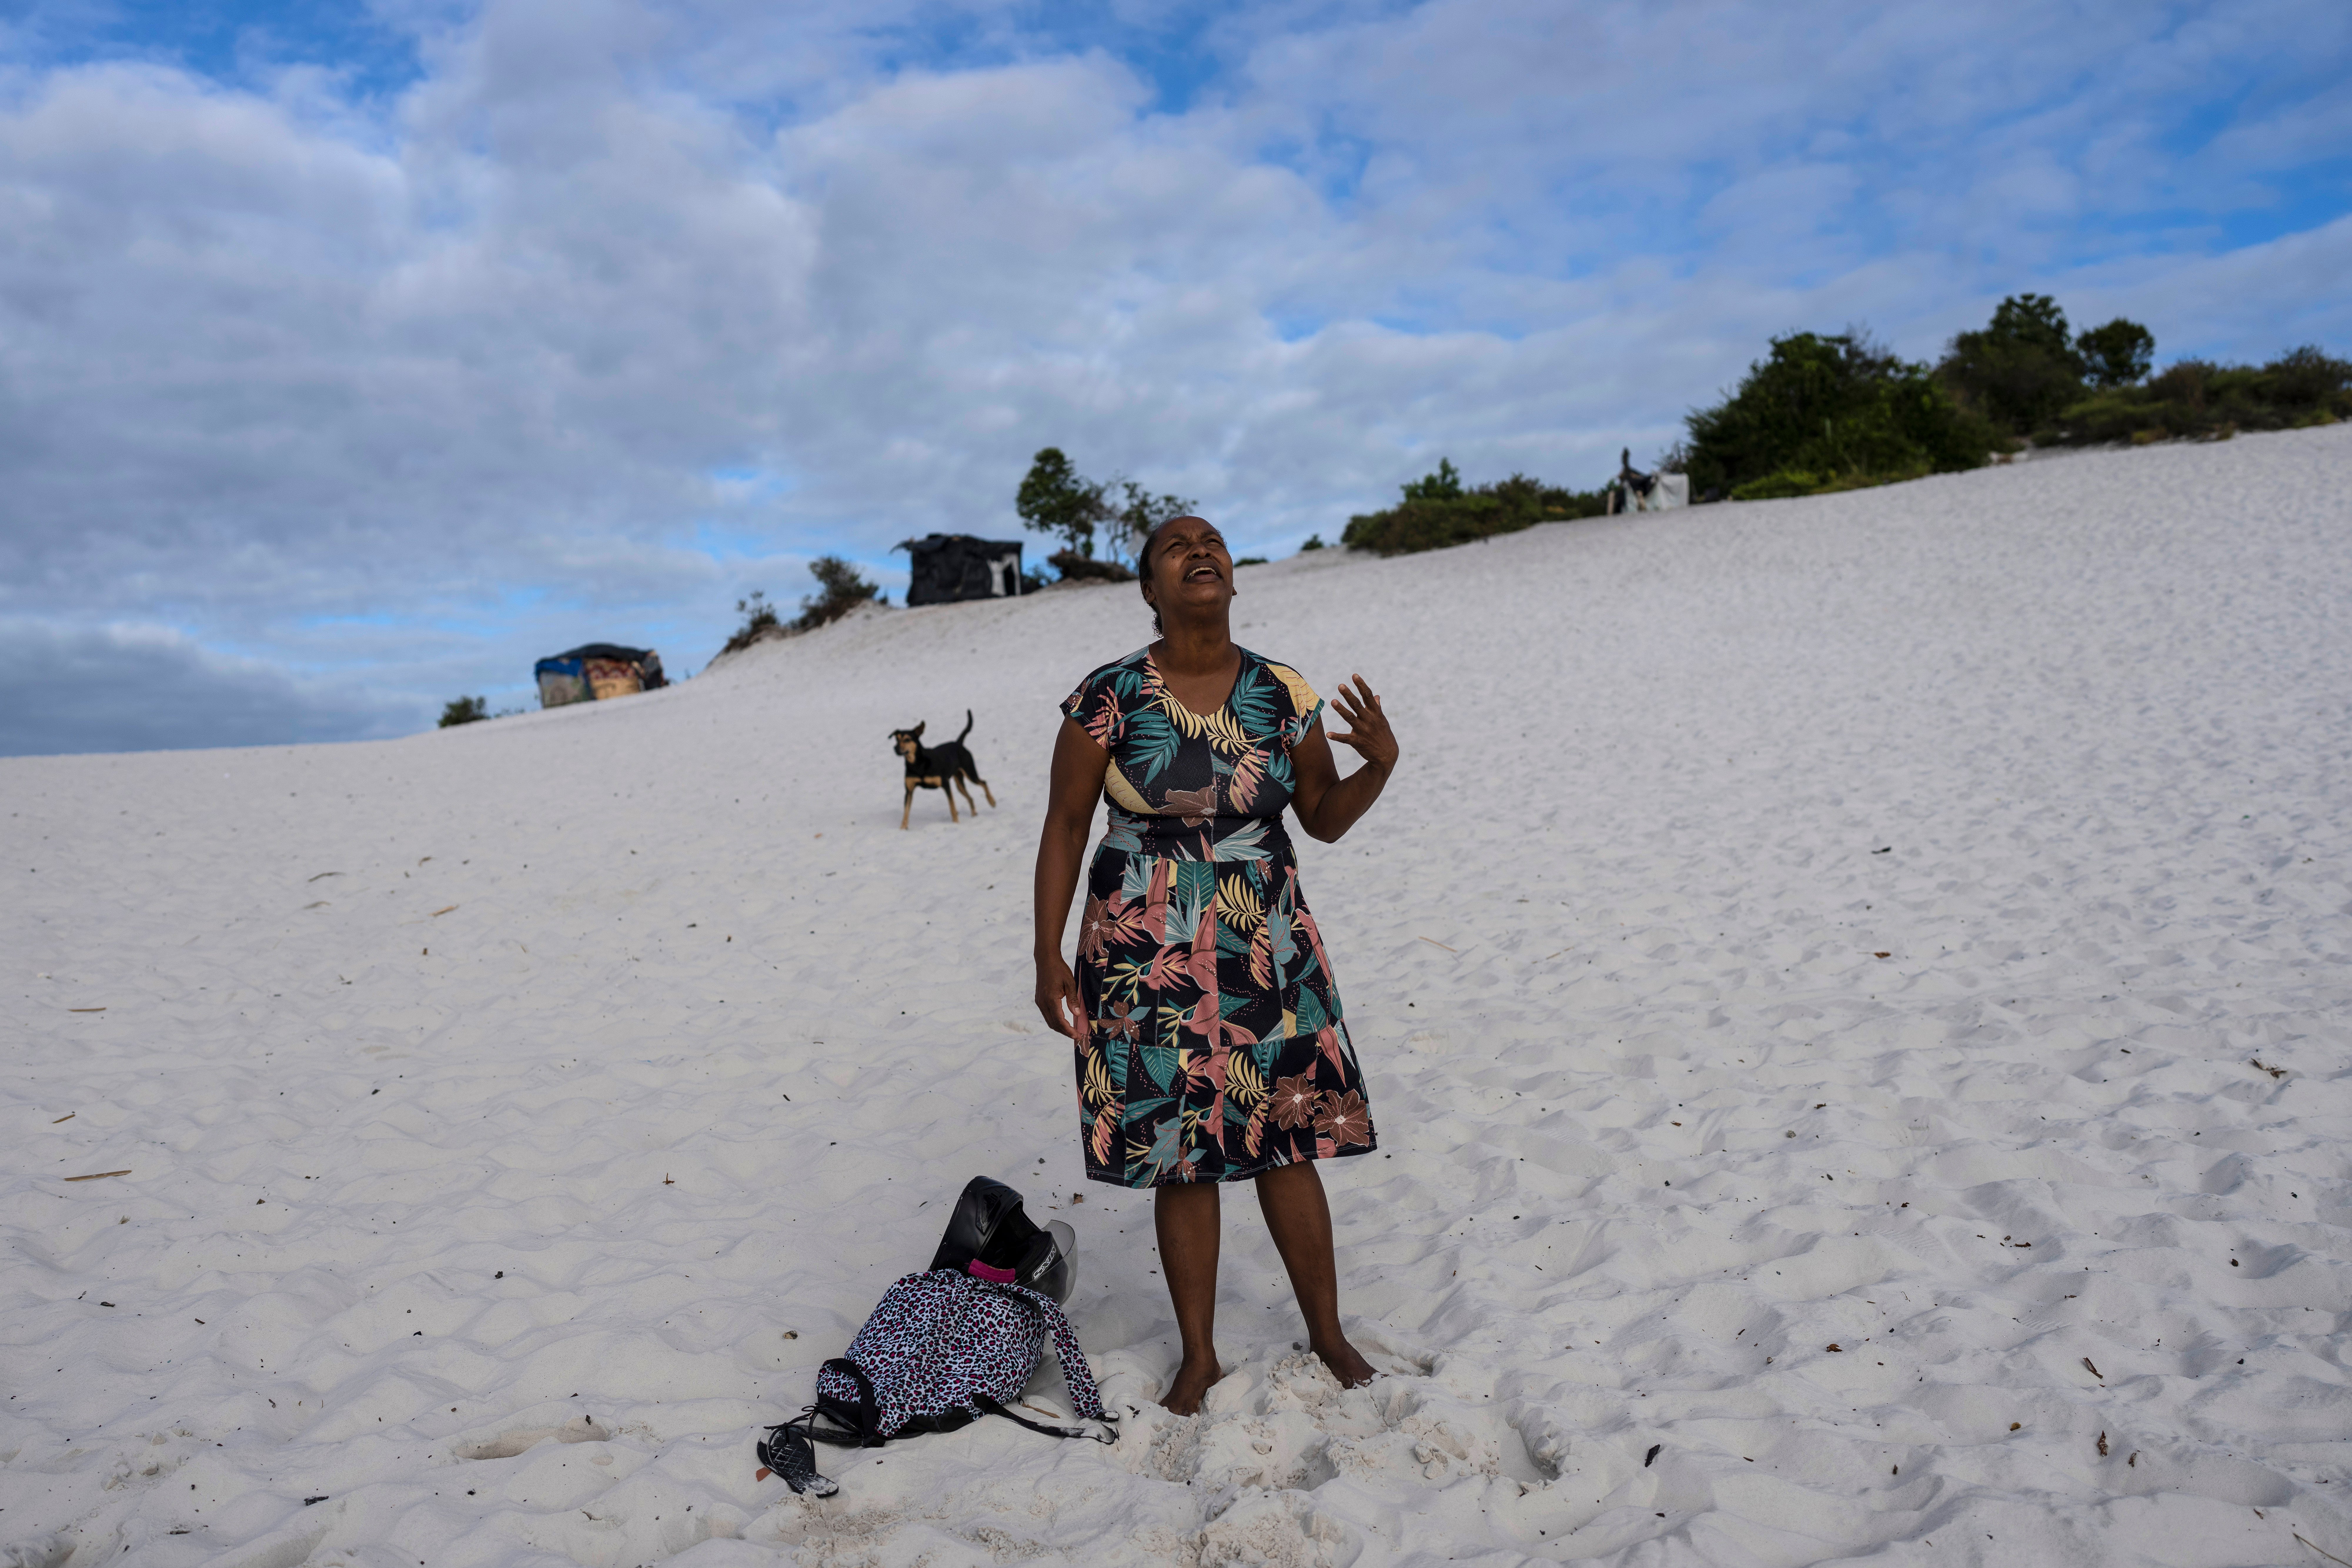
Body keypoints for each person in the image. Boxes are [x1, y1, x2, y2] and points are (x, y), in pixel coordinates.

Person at [1032, 513, 1400, 1414]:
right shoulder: (1107, 697)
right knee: (1179, 1152)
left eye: (1215, 544)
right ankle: (1198, 1357)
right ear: (1151, 590)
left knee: (1290, 1136)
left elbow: (1319, 812)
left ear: (1234, 577)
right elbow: (1067, 827)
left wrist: (1381, 766)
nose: (1202, 552)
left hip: (1265, 939)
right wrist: (1047, 953)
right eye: (1175, 547)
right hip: (1140, 943)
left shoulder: (1282, 691)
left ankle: (1329, 1335)